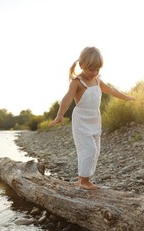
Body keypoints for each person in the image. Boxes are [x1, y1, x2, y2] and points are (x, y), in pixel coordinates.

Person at [49, 47, 134, 190]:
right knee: (88, 149)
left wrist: (125, 97)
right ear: (82, 65)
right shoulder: (77, 82)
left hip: (94, 119)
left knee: (96, 149)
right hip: (81, 120)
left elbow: (112, 90)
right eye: (91, 69)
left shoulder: (97, 81)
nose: (94, 72)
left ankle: (83, 178)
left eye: (97, 69)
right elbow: (67, 98)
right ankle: (84, 180)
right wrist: (59, 114)